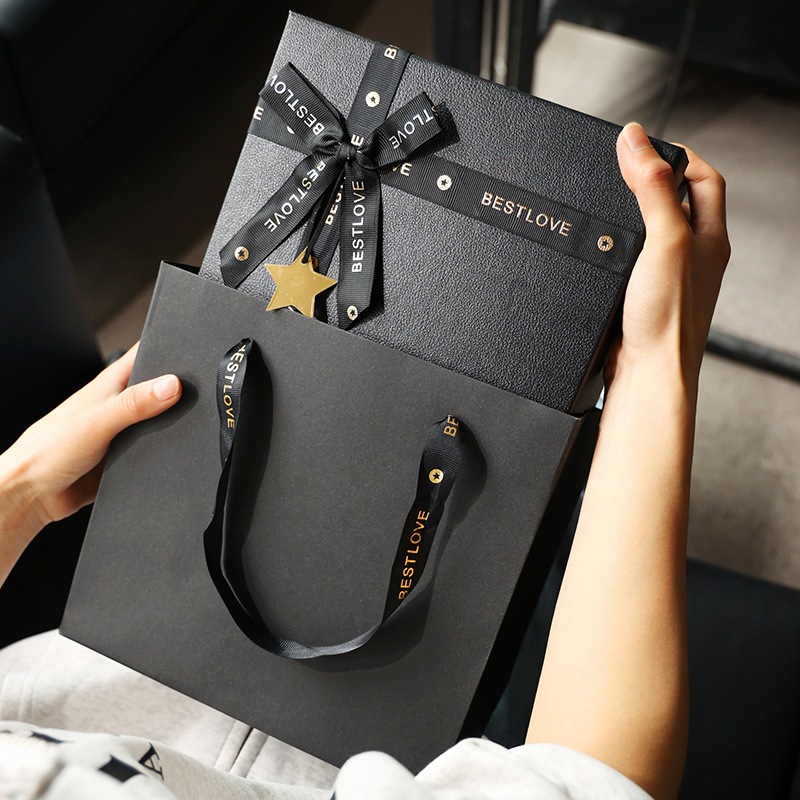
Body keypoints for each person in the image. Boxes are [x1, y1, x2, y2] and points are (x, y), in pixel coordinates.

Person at [0, 122, 730, 800]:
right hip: (404, 750)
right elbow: (587, 781)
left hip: (98, 658)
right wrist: (656, 366)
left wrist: (21, 489)